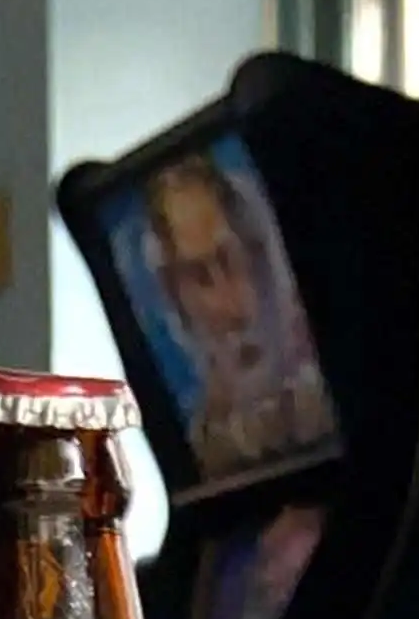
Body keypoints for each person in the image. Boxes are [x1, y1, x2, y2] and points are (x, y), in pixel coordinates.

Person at [142, 152, 334, 481]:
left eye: (231, 259)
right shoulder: (198, 452)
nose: (228, 305)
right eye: (199, 276)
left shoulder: (335, 390)